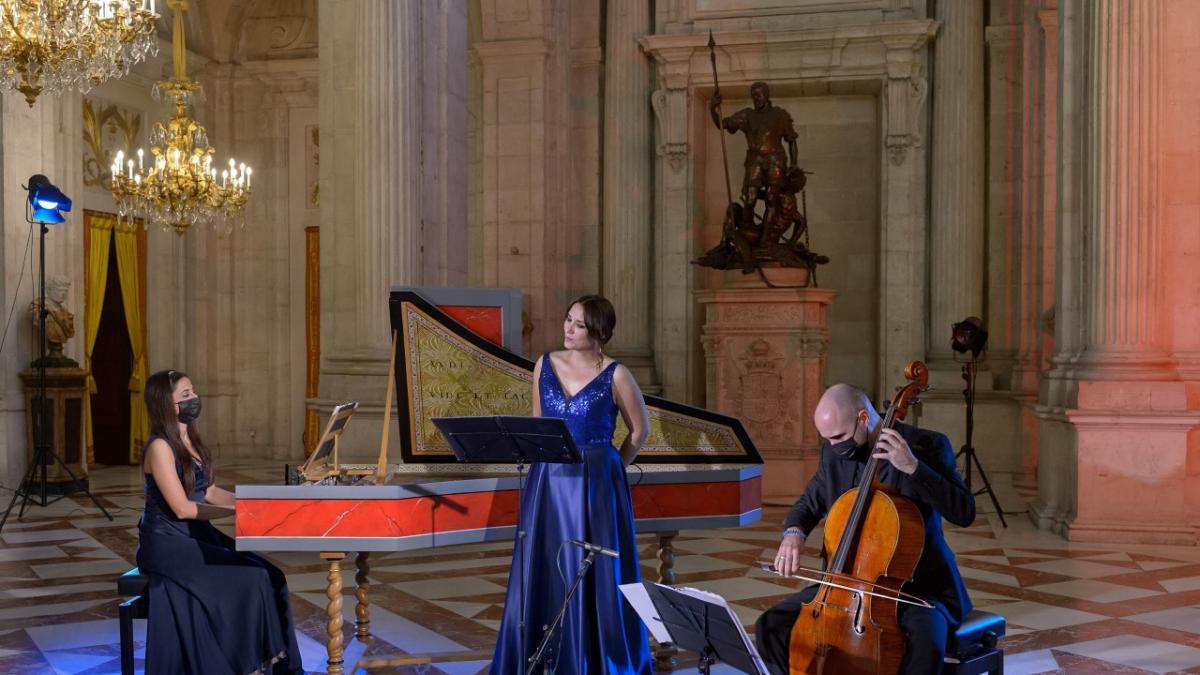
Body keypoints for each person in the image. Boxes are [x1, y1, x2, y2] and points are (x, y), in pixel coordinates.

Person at [755, 383, 976, 674]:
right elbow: (808, 503)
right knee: (770, 626)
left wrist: (914, 468)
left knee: (927, 649)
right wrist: (793, 535)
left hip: (916, 590)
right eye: (827, 439)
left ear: (863, 418)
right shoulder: (833, 453)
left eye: (839, 437)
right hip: (846, 585)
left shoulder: (926, 446)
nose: (834, 446)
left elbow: (964, 512)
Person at [490, 295, 653, 674]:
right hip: (548, 481)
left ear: (598, 332)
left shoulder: (616, 374)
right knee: (545, 565)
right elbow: (536, 424)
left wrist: (609, 469)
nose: (568, 328)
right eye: (567, 320)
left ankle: (594, 659)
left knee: (591, 569)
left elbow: (640, 430)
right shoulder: (544, 364)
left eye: (578, 324)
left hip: (595, 484)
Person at [136, 369, 303, 674]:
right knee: (251, 580)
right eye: (186, 395)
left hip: (197, 534)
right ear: (166, 404)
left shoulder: (193, 441)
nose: (194, 399)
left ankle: (277, 666)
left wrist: (251, 502)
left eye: (193, 392)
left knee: (273, 574)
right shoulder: (160, 447)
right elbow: (184, 509)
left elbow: (209, 492)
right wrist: (240, 512)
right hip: (168, 542)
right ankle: (243, 664)